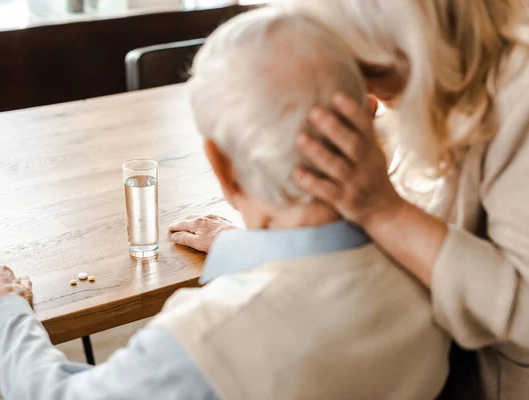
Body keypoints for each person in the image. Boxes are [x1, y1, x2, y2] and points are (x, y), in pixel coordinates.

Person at [0, 9, 450, 400]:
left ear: (222, 166)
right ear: (368, 116)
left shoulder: (207, 338)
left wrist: (5, 314)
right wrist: (247, 244)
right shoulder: (437, 265)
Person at [169, 0, 529, 399]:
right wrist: (267, 246)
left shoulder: (520, 98)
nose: (368, 96)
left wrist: (384, 210)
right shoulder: (430, 77)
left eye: (371, 69)